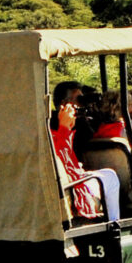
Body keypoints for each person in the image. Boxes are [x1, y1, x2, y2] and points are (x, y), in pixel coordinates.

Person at [48, 82, 107, 222]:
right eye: (78, 99)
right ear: (64, 103)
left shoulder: (52, 123)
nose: (82, 104)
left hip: (76, 173)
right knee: (109, 176)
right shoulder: (63, 126)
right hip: (72, 179)